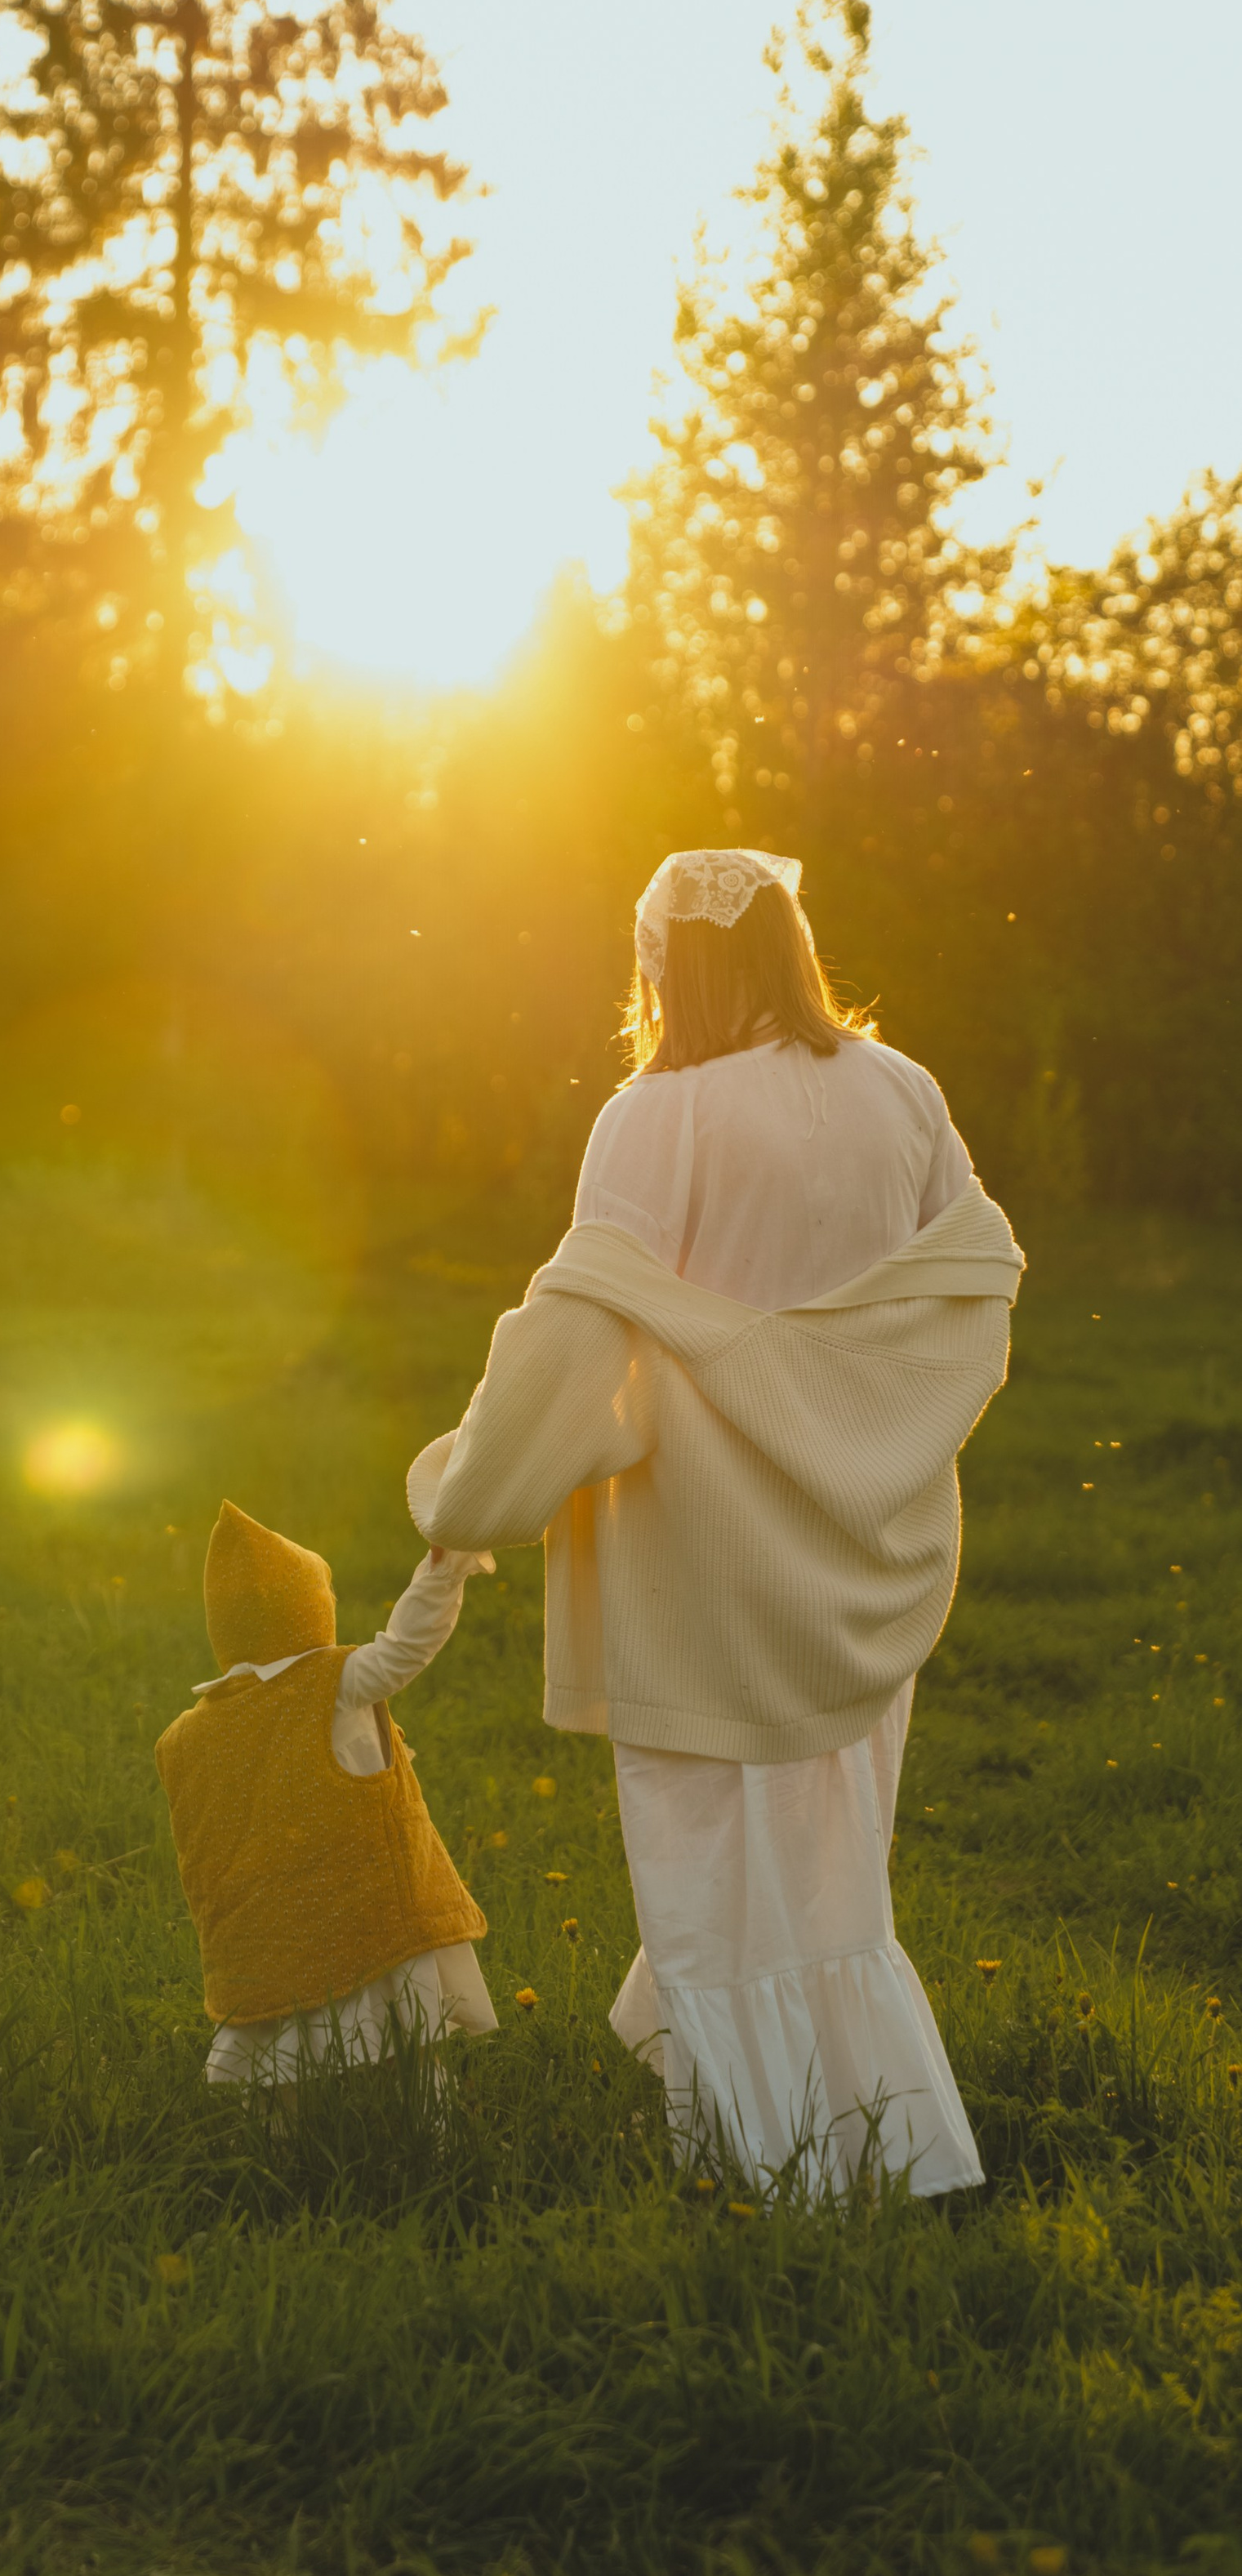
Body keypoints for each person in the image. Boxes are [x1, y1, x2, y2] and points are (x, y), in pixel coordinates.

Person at [406, 848, 1022, 2195]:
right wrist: (867, 1421)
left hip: (696, 1550)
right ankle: (875, 2146)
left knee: (699, 1848)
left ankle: (778, 2166)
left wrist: (473, 1494)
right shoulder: (904, 1090)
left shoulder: (654, 1115)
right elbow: (970, 1285)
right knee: (834, 1859)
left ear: (664, 963)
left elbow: (577, 1336)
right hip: (868, 1543)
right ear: (797, 944)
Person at [156, 1499, 500, 2088]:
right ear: (307, 1609)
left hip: (268, 1937)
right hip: (370, 1911)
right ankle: (430, 2144)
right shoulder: (333, 1683)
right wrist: (442, 1570)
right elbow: (403, 1649)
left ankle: (281, 2156)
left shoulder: (185, 1735)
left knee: (277, 2056)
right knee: (411, 2043)